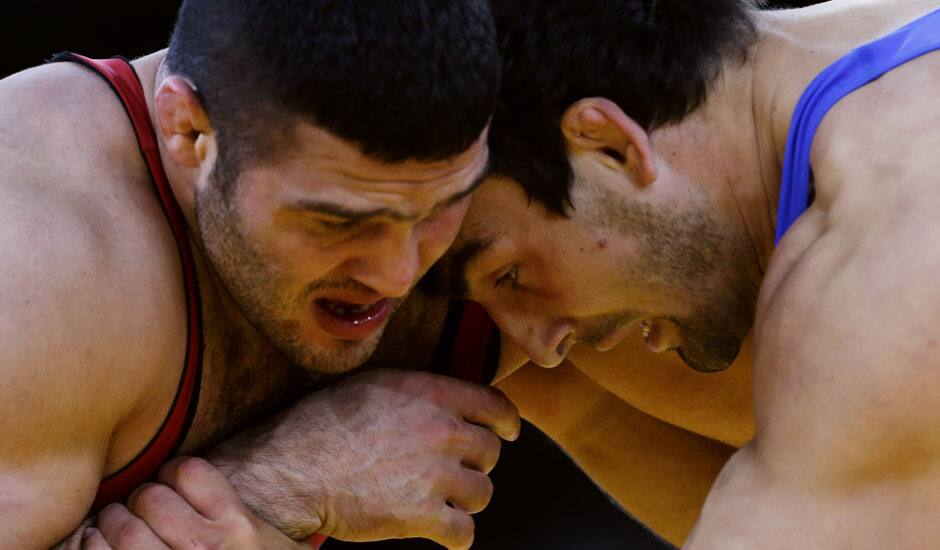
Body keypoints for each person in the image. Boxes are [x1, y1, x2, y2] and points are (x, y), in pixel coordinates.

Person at [0, 1, 523, 549]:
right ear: (189, 130)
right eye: (336, 221)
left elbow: (597, 427)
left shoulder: (544, 190)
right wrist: (277, 482)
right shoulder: (38, 268)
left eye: (443, 207)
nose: (398, 276)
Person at [428, 0, 940, 546]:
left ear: (610, 144)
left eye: (508, 275)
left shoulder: (892, 264)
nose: (541, 344)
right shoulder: (874, 58)